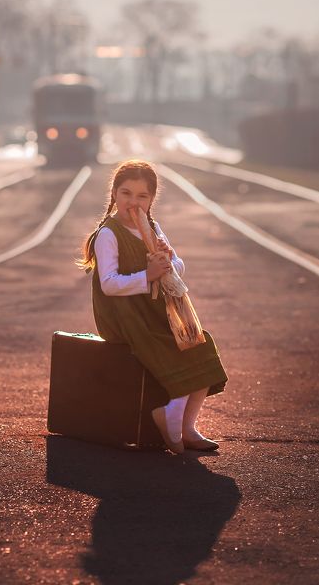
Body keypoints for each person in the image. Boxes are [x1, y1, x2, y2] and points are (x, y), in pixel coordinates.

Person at [79, 159, 228, 454]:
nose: (133, 202)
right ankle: (170, 412)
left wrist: (169, 260)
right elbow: (109, 284)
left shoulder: (153, 227)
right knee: (174, 347)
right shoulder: (109, 234)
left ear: (151, 200)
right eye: (126, 194)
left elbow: (178, 267)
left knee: (200, 344)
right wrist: (147, 276)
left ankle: (186, 427)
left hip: (153, 311)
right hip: (124, 317)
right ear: (114, 194)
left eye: (142, 196)